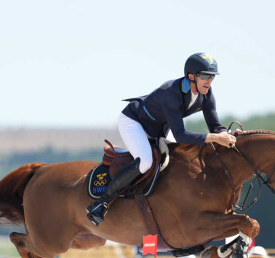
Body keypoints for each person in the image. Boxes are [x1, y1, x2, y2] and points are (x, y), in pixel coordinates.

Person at [87, 52, 237, 225]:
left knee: (182, 158)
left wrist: (227, 134)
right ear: (191, 76)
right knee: (145, 162)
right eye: (205, 76)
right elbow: (181, 134)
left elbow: (215, 126)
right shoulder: (171, 92)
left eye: (212, 77)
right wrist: (215, 138)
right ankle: (101, 203)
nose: (209, 81)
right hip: (135, 121)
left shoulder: (207, 94)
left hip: (160, 126)